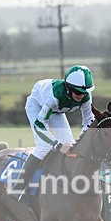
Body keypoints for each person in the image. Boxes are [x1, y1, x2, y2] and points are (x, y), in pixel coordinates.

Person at [13, 64, 96, 198]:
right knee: (44, 146)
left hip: (57, 111)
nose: (81, 96)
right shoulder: (55, 97)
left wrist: (82, 142)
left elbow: (88, 121)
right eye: (78, 92)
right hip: (37, 105)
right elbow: (39, 125)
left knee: (70, 145)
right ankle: (18, 188)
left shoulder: (86, 96)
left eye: (84, 92)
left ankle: (65, 185)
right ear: (68, 88)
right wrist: (57, 145)